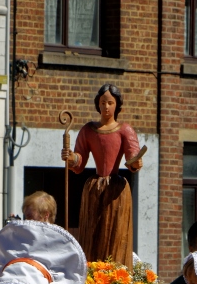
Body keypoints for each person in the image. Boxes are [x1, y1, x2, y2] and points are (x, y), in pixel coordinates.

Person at [61, 83, 143, 264]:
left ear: (117, 105)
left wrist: (135, 162)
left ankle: (116, 273)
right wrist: (71, 157)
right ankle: (92, 270)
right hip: (94, 188)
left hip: (116, 189)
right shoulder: (88, 130)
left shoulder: (125, 130)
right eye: (103, 102)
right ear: (98, 104)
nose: (106, 106)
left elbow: (132, 157)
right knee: (93, 230)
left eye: (110, 103)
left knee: (115, 232)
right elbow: (79, 161)